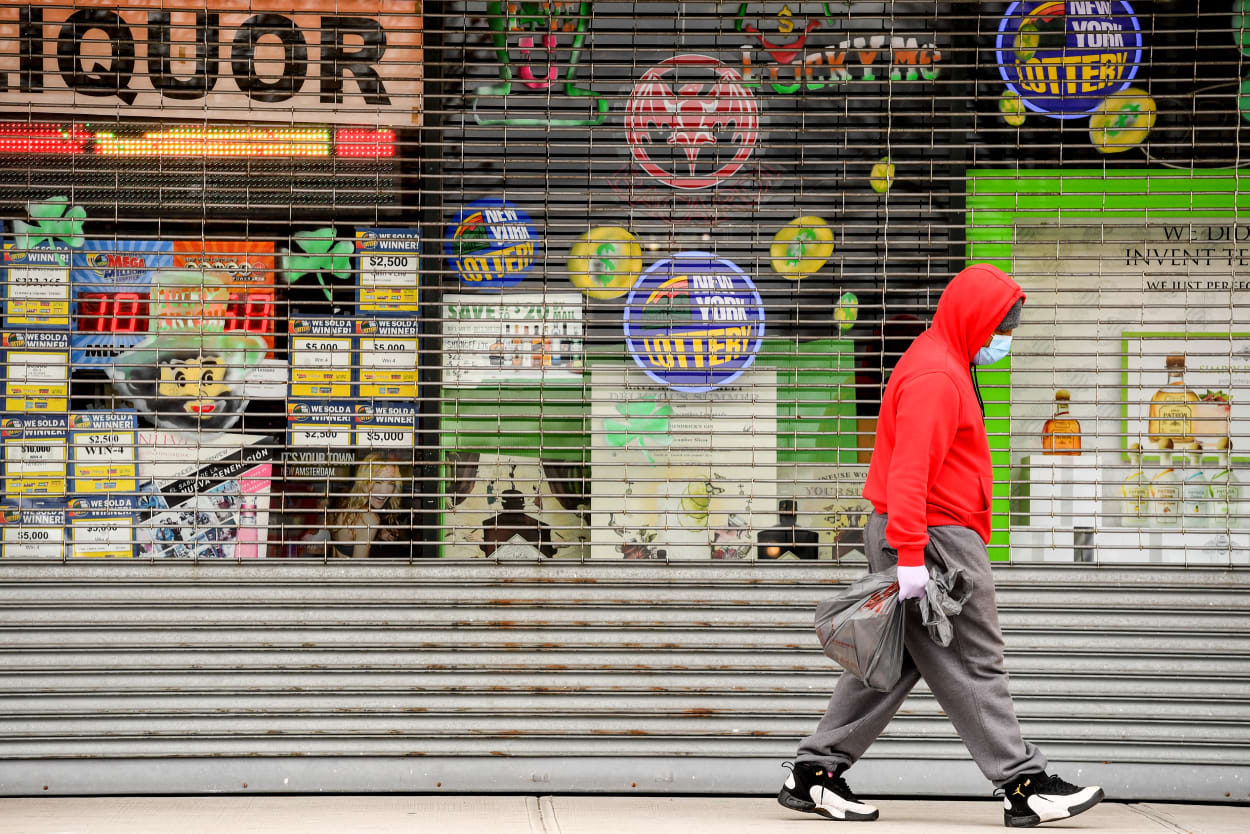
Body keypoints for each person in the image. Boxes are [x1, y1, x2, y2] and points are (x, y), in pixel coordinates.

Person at [779, 264, 1104, 827]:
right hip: (933, 538)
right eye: (1001, 329)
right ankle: (1023, 783)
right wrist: (909, 556)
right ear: (974, 320)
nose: (1004, 341)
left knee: (890, 660)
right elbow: (909, 473)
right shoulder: (938, 376)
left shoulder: (942, 360)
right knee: (975, 662)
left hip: (925, 533)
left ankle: (814, 774)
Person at [330, 452, 409, 559]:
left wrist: (378, 534)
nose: (384, 492)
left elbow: (350, 537)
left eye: (391, 483)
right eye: (378, 482)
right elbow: (361, 570)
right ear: (364, 481)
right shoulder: (368, 518)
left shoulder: (346, 501)